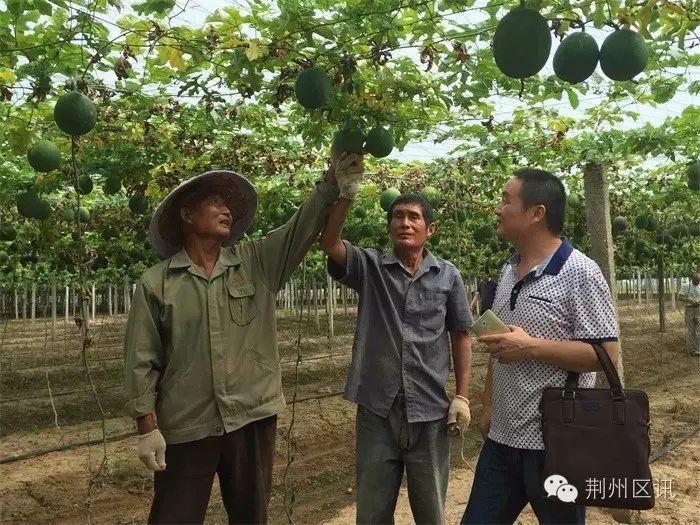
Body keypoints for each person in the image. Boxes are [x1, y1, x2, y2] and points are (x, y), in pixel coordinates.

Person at [123, 153, 363, 524]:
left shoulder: (256, 262)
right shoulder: (156, 283)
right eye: (215, 202)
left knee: (251, 516)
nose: (226, 210)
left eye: (229, 205)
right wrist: (147, 427)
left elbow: (299, 228)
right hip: (187, 425)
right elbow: (142, 359)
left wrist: (332, 184)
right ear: (187, 215)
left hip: (251, 417)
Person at [461, 168, 619, 525]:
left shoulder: (581, 272)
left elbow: (605, 356)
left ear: (537, 212)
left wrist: (532, 347)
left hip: (557, 444)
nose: (498, 209)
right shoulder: (506, 270)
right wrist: (489, 407)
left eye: (506, 200)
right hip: (502, 442)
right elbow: (502, 348)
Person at [320, 189, 473, 525]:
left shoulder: (448, 276)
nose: (404, 222)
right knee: (373, 512)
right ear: (389, 225)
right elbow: (330, 242)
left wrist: (461, 396)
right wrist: (345, 196)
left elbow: (461, 334)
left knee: (431, 511)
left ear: (429, 229)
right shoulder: (370, 267)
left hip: (431, 412)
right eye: (397, 216)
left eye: (413, 217)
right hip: (378, 410)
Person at [679, 272, 700, 356]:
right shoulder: (685, 286)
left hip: (699, 309)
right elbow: (680, 297)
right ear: (692, 279)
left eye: (699, 281)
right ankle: (694, 350)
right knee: (691, 331)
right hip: (689, 309)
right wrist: (689, 300)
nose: (698, 283)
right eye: (696, 281)